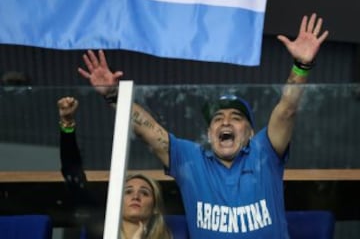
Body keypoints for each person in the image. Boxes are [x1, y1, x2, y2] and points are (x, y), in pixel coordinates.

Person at [77, 13, 329, 238]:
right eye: (217, 119)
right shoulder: (192, 159)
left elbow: (286, 110)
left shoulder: (264, 152)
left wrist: (301, 66)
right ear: (209, 134)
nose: (226, 121)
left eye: (236, 117)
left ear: (251, 133)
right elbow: (149, 132)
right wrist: (113, 95)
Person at [57, 97, 172, 239]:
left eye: (145, 193)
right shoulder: (100, 231)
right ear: (117, 202)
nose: (136, 197)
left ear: (155, 208)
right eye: (128, 191)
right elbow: (73, 177)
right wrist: (67, 125)